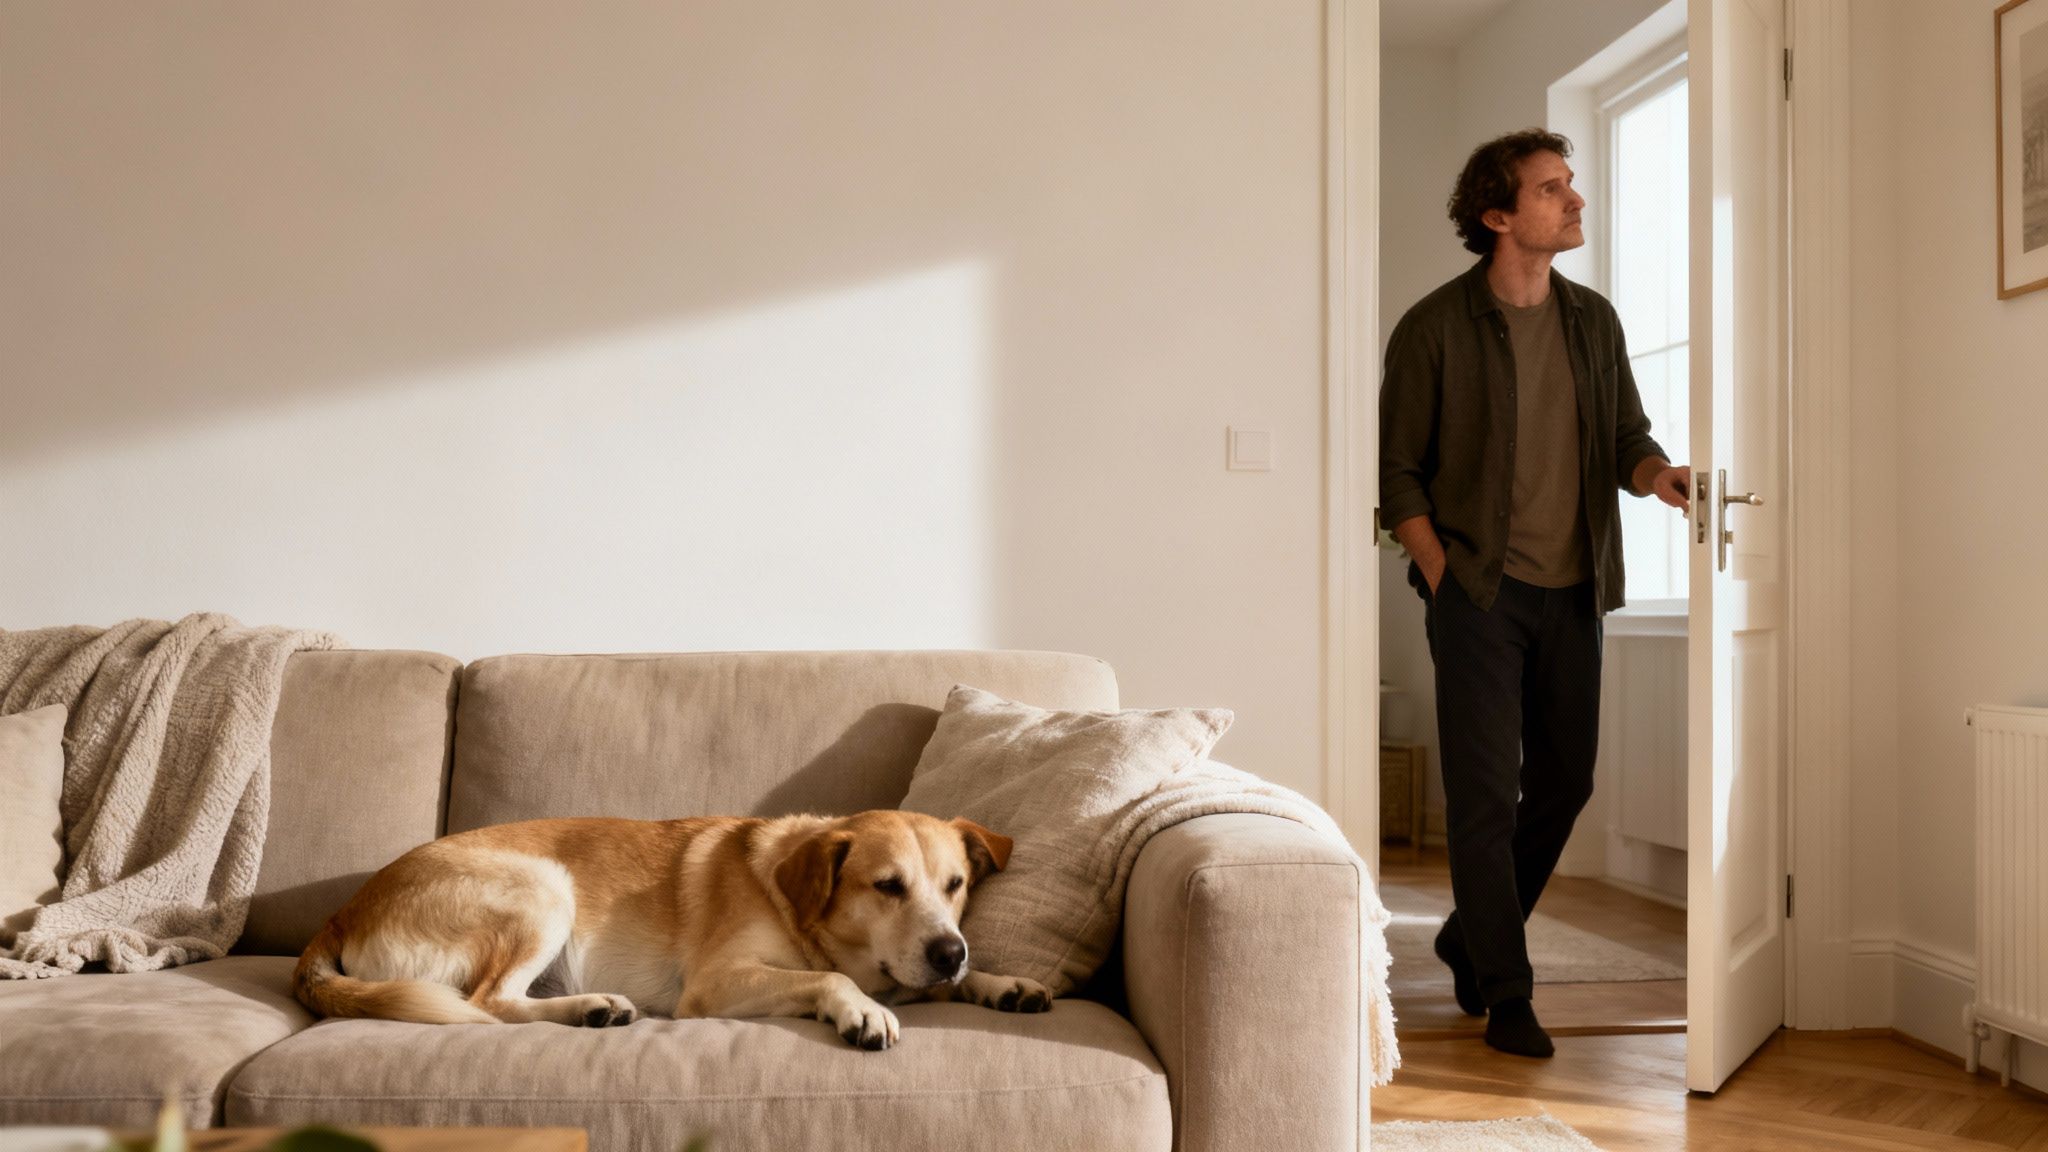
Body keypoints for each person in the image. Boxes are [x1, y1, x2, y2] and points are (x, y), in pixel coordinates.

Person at [1378, 129, 1690, 1058]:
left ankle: (1468, 932)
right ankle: (1505, 992)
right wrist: (1444, 579)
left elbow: (1627, 433)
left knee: (1567, 779)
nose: (1575, 201)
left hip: (1575, 589)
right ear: (1499, 215)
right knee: (1484, 800)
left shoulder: (1594, 321)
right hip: (1478, 592)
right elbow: (1400, 479)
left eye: (1571, 187)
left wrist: (1656, 475)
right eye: (1553, 190)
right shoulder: (1433, 328)